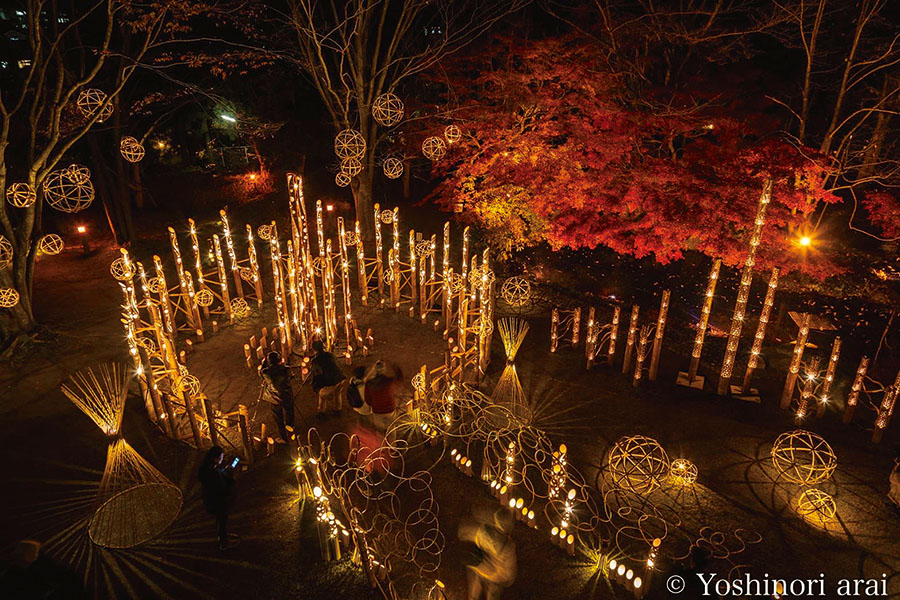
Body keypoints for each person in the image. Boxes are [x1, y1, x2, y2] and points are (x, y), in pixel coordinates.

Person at [458, 508, 517, 600]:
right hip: (495, 576)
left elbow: (474, 538)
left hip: (480, 567)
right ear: (508, 525)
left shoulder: (485, 529)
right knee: (492, 595)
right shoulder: (508, 545)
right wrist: (508, 579)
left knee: (474, 593)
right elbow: (509, 568)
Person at [198, 446, 239, 550]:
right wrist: (230, 477)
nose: (222, 459)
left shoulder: (206, 469)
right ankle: (223, 542)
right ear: (216, 459)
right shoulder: (215, 474)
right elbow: (224, 488)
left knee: (220, 521)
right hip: (218, 503)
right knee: (222, 521)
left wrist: (223, 472)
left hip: (210, 500)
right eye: (221, 457)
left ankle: (222, 536)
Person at [259, 351, 295, 443]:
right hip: (286, 395)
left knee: (279, 418)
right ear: (279, 360)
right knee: (289, 412)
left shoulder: (266, 372)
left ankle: (283, 437)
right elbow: (291, 376)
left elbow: (261, 372)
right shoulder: (286, 369)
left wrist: (264, 362)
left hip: (274, 398)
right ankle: (290, 429)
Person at [365, 360, 403, 434]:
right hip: (390, 409)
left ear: (375, 371)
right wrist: (396, 368)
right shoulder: (389, 381)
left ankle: (381, 441)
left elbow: (368, 400)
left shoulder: (369, 383)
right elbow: (399, 380)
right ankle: (392, 441)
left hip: (377, 410)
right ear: (384, 370)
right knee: (391, 429)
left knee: (379, 430)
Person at [309, 340, 346, 416]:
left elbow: (317, 373)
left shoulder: (315, 360)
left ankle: (321, 412)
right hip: (340, 378)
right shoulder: (330, 355)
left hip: (331, 382)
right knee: (337, 393)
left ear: (314, 349)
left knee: (322, 396)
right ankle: (337, 409)